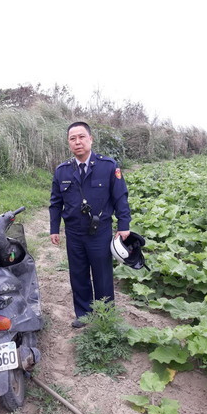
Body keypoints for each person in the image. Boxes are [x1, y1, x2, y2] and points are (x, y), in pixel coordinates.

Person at [49, 121, 131, 328]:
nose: (77, 142)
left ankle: (105, 315)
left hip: (100, 231)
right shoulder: (62, 171)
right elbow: (55, 203)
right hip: (74, 232)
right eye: (72, 138)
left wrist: (124, 225)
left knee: (102, 274)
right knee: (78, 274)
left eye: (81, 137)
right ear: (69, 143)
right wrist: (53, 229)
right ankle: (83, 314)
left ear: (90, 139)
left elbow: (120, 197)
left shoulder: (108, 166)